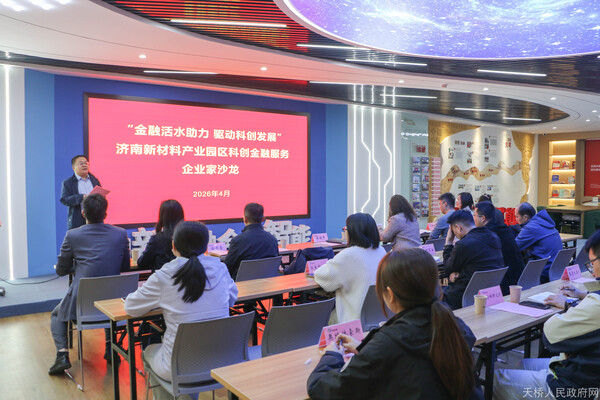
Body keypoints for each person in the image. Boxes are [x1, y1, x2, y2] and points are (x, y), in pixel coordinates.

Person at [307, 248, 483, 400]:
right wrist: (364, 348)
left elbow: (323, 388)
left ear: (390, 294)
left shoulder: (389, 343)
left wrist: (332, 356)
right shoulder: (452, 323)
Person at [125, 221, 238, 400]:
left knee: (148, 351)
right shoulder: (220, 268)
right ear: (206, 247)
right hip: (220, 361)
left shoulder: (164, 275)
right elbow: (232, 299)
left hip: (178, 366)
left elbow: (131, 307)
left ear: (174, 246)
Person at [493, 229, 600, 400]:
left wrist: (569, 306)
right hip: (585, 370)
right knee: (521, 364)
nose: (592, 272)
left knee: (494, 379)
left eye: (592, 263)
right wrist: (580, 297)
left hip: (574, 387)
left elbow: (550, 335)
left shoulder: (596, 304)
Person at [48, 194, 130, 375]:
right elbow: (124, 266)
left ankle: (62, 355)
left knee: (57, 314)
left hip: (81, 307)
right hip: (113, 305)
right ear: (105, 214)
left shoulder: (72, 235)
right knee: (108, 300)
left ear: (83, 213)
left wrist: (78, 266)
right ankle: (110, 348)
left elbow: (61, 270)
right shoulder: (120, 234)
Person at [314, 213, 386, 324]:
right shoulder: (381, 251)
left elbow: (322, 277)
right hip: (378, 317)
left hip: (351, 320)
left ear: (353, 232)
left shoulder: (349, 255)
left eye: (346, 229)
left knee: (320, 318)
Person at [441, 209, 504, 310]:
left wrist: (448, 242)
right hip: (490, 295)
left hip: (462, 297)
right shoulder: (494, 237)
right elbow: (480, 266)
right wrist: (461, 274)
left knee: (431, 294)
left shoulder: (464, 244)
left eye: (453, 231)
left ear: (458, 227)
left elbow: (447, 269)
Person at [474, 201, 525, 295]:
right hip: (518, 280)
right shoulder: (506, 230)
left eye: (474, 215)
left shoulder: (485, 235)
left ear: (483, 218)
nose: (473, 218)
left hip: (502, 287)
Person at [224, 202, 279, 280]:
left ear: (245, 219)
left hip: (242, 285)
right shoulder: (272, 239)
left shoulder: (238, 241)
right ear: (263, 219)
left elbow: (227, 268)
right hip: (268, 284)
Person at [514, 203, 562, 283]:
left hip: (544, 272)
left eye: (517, 216)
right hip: (557, 269)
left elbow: (514, 247)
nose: (516, 220)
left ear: (525, 217)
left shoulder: (531, 228)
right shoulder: (544, 222)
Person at [137, 199, 185, 272]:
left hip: (162, 278)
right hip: (184, 278)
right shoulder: (188, 238)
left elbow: (142, 264)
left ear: (162, 217)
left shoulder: (157, 239)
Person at [60, 155, 101, 230]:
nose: (84, 165)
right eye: (81, 163)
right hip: (77, 221)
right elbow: (64, 200)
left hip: (95, 220)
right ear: (73, 167)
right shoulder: (68, 183)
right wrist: (81, 197)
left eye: (86, 163)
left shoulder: (94, 180)